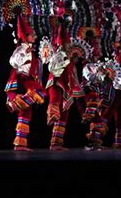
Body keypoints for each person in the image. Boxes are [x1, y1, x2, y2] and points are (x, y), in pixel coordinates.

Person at [5, 15, 46, 151]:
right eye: (31, 34)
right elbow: (13, 62)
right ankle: (16, 103)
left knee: (26, 112)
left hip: (28, 79)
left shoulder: (31, 50)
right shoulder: (21, 48)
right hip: (22, 79)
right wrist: (24, 53)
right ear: (25, 36)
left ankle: (20, 144)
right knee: (40, 92)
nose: (34, 36)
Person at [45, 18, 82, 151]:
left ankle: (56, 143)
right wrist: (66, 61)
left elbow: (73, 75)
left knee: (65, 112)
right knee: (55, 103)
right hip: (55, 84)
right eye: (66, 43)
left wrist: (76, 88)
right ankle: (52, 117)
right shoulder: (58, 55)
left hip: (66, 87)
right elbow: (53, 69)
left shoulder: (69, 57)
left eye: (68, 43)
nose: (68, 45)